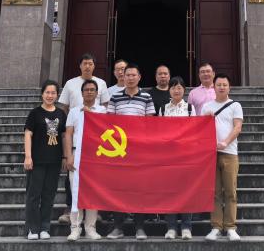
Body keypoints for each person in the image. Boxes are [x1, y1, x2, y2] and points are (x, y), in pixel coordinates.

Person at [57, 53, 110, 223]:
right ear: (80, 66)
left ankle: (94, 212)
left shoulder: (101, 83)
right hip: (75, 135)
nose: (87, 66)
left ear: (94, 66)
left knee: (95, 178)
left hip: (95, 141)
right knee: (71, 177)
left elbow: (105, 107)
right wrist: (75, 119)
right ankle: (69, 208)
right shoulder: (70, 83)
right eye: (85, 63)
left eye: (90, 63)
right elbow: (64, 107)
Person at [106, 63, 155, 239]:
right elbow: (109, 123)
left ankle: (139, 227)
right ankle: (117, 227)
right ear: (123, 77)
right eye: (128, 75)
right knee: (119, 188)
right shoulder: (115, 97)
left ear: (139, 77)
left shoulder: (147, 97)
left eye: (134, 75)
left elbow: (150, 123)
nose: (130, 78)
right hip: (119, 151)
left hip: (139, 151)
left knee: (139, 188)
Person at [23, 79, 69, 240]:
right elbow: (28, 134)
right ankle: (32, 228)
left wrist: (65, 156)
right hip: (37, 161)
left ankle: (44, 227)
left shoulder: (61, 114)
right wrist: (28, 156)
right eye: (47, 92)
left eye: (53, 93)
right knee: (34, 195)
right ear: (42, 94)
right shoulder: (35, 113)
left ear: (57, 95)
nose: (50, 95)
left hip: (54, 161)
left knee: (49, 195)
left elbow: (64, 136)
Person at [202, 74, 243, 242]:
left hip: (230, 153)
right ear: (214, 87)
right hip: (211, 154)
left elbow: (237, 127)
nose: (221, 87)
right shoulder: (206, 106)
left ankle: (231, 227)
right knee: (215, 192)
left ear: (229, 87)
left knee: (230, 191)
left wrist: (225, 142)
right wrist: (206, 119)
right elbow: (200, 129)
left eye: (224, 85)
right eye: (218, 84)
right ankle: (216, 227)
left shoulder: (235, 105)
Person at [64, 78, 106, 241]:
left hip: (96, 156)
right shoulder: (74, 111)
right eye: (86, 90)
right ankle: (75, 228)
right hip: (76, 154)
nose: (89, 92)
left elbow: (106, 132)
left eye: (92, 90)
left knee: (93, 192)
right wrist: (68, 156)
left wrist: (92, 115)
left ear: (97, 93)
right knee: (76, 191)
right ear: (81, 93)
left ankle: (90, 228)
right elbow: (68, 134)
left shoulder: (103, 111)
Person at [161, 76, 193, 239]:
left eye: (179, 87)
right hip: (168, 157)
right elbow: (159, 131)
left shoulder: (190, 108)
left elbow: (196, 130)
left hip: (186, 156)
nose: (176, 90)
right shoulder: (163, 109)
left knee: (187, 191)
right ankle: (171, 227)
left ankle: (186, 226)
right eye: (173, 87)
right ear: (169, 90)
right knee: (170, 192)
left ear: (184, 90)